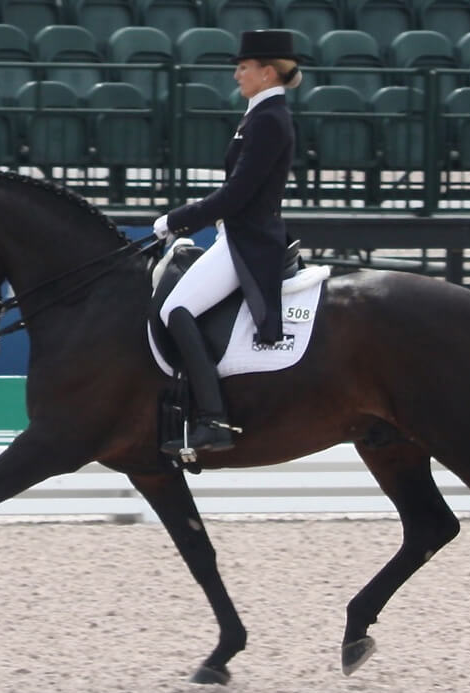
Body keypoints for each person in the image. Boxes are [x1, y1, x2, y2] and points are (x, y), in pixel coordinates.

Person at [155, 29, 302, 455]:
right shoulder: (260, 115)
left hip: (249, 240)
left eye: (243, 67)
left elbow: (237, 194)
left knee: (176, 309)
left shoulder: (269, 119)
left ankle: (214, 419)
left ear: (267, 72)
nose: (237, 75)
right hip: (237, 233)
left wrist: (177, 220)